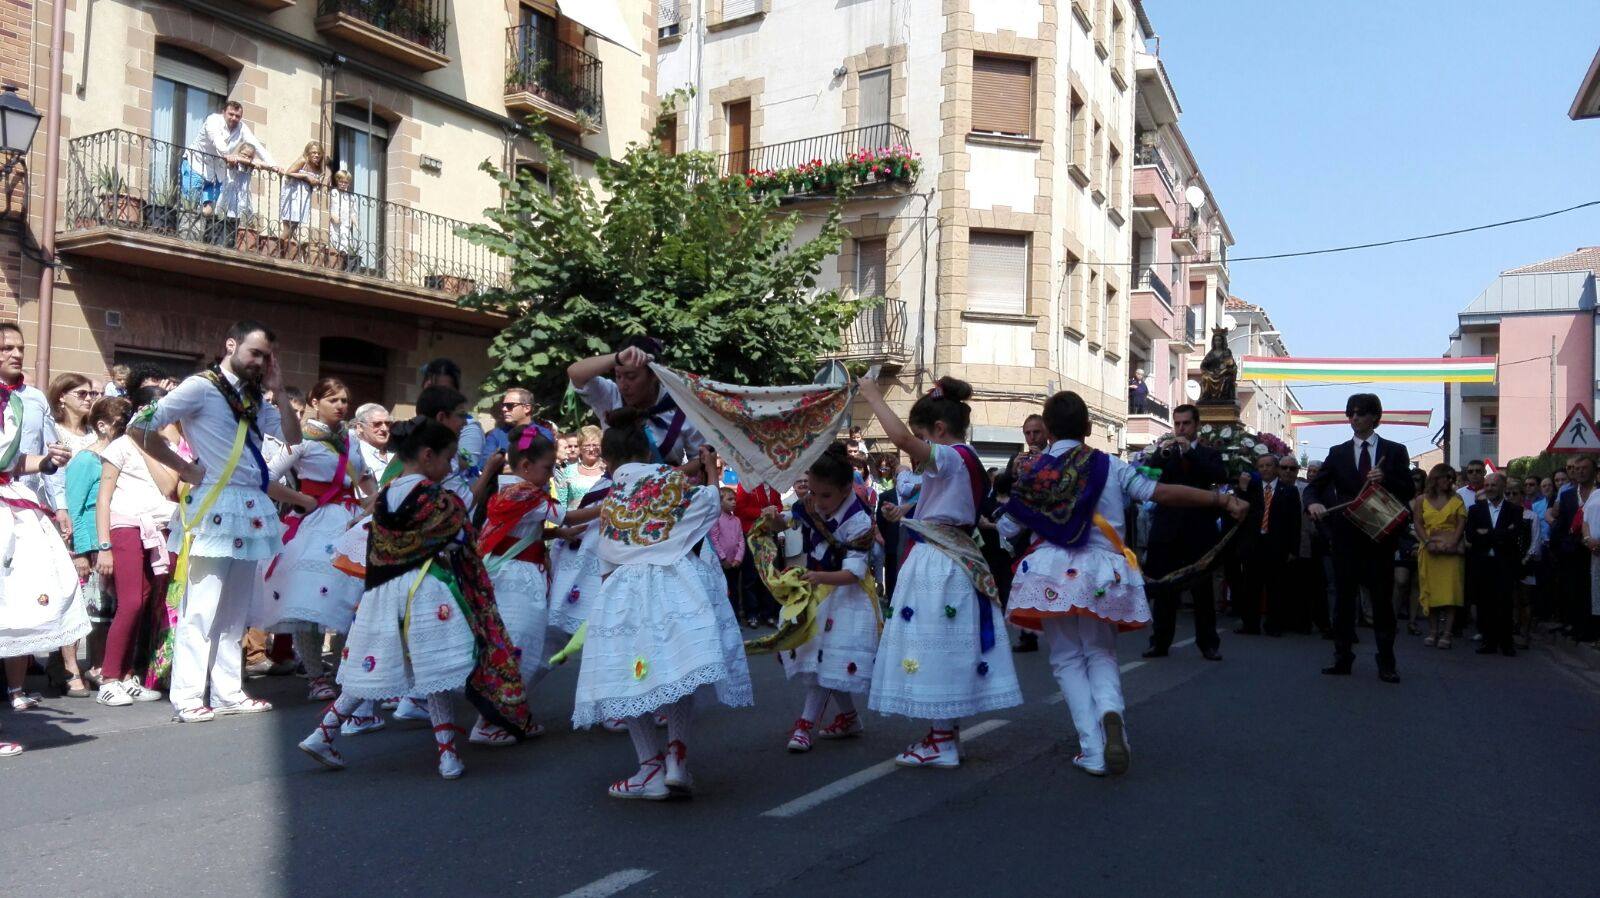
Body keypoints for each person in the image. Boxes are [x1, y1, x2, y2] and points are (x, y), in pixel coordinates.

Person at [1003, 390, 1248, 776]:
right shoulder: (1110, 466)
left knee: (1067, 658)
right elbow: (1160, 493)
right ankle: (1112, 712)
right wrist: (1221, 502)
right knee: (1100, 652)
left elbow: (1007, 525)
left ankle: (1093, 747)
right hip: (1105, 571)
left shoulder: (1034, 471)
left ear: (1046, 430)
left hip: (1051, 572)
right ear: (1087, 428)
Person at [299, 417, 532, 779]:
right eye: (448, 458)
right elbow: (460, 542)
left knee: (370, 667)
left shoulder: (382, 498)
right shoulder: (439, 500)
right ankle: (448, 756)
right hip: (426, 592)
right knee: (434, 671)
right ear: (427, 456)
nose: (450, 466)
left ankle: (323, 732)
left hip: (380, 594)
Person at [572, 409, 752, 800]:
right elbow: (708, 504)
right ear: (647, 450)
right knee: (676, 671)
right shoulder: (671, 482)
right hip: (675, 584)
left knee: (631, 676)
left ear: (609, 459)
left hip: (624, 589)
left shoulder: (612, 496)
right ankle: (676, 757)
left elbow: (606, 558)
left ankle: (648, 767)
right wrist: (709, 472)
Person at [127, 320, 301, 722]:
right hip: (215, 506)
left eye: (266, 356)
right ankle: (187, 695)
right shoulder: (200, 386)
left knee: (235, 609)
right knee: (201, 607)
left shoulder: (258, 397)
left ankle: (227, 691)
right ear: (231, 345)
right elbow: (141, 428)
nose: (260, 362)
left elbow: (293, 438)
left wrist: (278, 389)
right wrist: (183, 467)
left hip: (250, 507)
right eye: (254, 353)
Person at [856, 375, 1022, 769]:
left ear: (940, 431)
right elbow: (946, 507)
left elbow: (901, 441)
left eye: (922, 436)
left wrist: (873, 397)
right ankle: (944, 733)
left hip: (940, 562)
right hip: (953, 554)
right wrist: (909, 514)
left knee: (935, 643)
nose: (918, 445)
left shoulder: (951, 456)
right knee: (946, 642)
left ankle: (942, 740)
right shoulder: (965, 460)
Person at [262, 378, 376, 704]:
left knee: (353, 597)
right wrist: (303, 499)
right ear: (314, 401)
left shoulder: (351, 440)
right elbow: (266, 478)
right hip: (316, 523)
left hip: (352, 522)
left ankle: (345, 670)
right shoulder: (303, 440)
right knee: (311, 603)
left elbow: (365, 477)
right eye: (333, 400)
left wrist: (375, 502)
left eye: (345, 400)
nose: (341, 406)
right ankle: (316, 676)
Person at [0, 321, 84, 724]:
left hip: (23, 501)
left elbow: (32, 458)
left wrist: (54, 471)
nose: (15, 354)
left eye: (19, 347)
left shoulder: (33, 400)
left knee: (24, 592)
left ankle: (16, 688)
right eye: (5, 348)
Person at [771, 443, 881, 753]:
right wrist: (774, 520)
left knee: (824, 659)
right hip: (815, 590)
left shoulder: (859, 521)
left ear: (847, 488)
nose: (817, 503)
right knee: (823, 660)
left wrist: (818, 578)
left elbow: (855, 573)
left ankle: (805, 725)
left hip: (845, 596)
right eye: (814, 494)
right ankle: (848, 717)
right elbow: (789, 522)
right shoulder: (809, 505)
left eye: (826, 496)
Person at [474, 423, 577, 744]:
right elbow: (569, 516)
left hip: (512, 574)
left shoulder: (510, 491)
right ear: (526, 465)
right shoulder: (525, 494)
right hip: (517, 579)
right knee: (520, 647)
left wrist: (554, 534)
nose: (550, 474)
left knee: (520, 647)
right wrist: (609, 508)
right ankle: (488, 721)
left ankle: (511, 713)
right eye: (547, 468)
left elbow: (521, 532)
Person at [1305, 393, 1416, 683]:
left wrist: (1387, 479)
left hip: (1379, 536)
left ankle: (1386, 662)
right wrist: (1313, 504)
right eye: (1351, 413)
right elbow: (1314, 487)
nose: (1354, 418)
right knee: (1343, 600)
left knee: (1381, 601)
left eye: (1361, 413)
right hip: (1345, 537)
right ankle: (1342, 658)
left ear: (1375, 416)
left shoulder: (1395, 451)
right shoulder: (1338, 452)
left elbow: (1408, 490)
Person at [92, 388, 181, 706]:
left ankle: (128, 675)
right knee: (129, 602)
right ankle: (109, 678)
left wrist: (146, 444)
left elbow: (169, 485)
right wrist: (104, 546)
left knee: (143, 603)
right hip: (126, 527)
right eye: (148, 408)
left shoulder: (166, 446)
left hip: (156, 529)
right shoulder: (118, 446)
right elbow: (103, 498)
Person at [1142, 405, 1228, 660]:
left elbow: (1217, 478)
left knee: (1202, 592)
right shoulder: (1166, 452)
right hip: (1167, 532)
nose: (1180, 429)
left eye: (1186, 424)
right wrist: (1160, 454)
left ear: (1197, 425)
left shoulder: (1209, 455)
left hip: (1198, 532)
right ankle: (1159, 642)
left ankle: (1208, 643)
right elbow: (1149, 476)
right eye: (1177, 424)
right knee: (1164, 590)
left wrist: (1190, 453)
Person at [64, 397, 130, 693]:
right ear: (102, 426)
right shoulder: (85, 460)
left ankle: (99, 664)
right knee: (83, 610)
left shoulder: (115, 459)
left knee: (103, 611)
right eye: (120, 424)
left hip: (109, 540)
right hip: (89, 543)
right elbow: (74, 506)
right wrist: (79, 551)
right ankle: (69, 668)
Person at [566, 338, 706, 467]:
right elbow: (575, 373)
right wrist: (617, 358)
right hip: (620, 489)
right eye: (618, 376)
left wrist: (661, 479)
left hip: (669, 489)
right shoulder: (611, 395)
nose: (623, 385)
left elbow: (701, 457)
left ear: (654, 375)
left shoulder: (679, 406)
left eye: (631, 377)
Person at [1465, 472, 1528, 656]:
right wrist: (1500, 534)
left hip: (1505, 563)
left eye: (1494, 485)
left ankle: (1506, 643)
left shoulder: (1514, 510)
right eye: (1487, 485)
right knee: (1485, 603)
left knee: (1505, 603)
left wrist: (1488, 534)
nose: (1490, 488)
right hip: (1483, 563)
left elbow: (1514, 535)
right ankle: (1488, 641)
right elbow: (1471, 536)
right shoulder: (1476, 510)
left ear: (1502, 487)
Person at [181, 100, 278, 216]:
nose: (234, 118)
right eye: (231, 114)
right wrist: (228, 155)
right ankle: (185, 229)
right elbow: (217, 140)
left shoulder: (242, 128)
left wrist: (273, 165)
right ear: (223, 113)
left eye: (237, 116)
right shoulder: (213, 120)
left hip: (215, 173)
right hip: (196, 165)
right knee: (189, 205)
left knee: (209, 211)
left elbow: (256, 145)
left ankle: (198, 228)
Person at [1413, 464, 1465, 648]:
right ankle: (1433, 631)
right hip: (1429, 549)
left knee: (1450, 592)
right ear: (1436, 478)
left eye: (1452, 478)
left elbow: (1461, 524)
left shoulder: (1457, 499)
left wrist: (1452, 543)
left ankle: (1447, 633)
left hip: (1451, 549)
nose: (1449, 481)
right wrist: (1427, 542)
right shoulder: (1421, 500)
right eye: (1446, 477)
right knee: (1431, 591)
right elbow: (1418, 523)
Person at [1554, 455, 1598, 641]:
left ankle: (1593, 629)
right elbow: (1562, 524)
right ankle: (1577, 626)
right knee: (1576, 590)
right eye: (1577, 468)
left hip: (1595, 550)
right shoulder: (1567, 495)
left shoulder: (1597, 493)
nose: (1580, 472)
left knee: (1594, 590)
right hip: (1574, 550)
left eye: (1584, 468)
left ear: (1594, 471)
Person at [419, 358, 485, 476]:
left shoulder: (467, 427)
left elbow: (468, 468)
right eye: (431, 388)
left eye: (444, 389)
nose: (436, 394)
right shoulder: (416, 424)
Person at [278, 141, 328, 252]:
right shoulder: (303, 161)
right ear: (308, 153)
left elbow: (315, 183)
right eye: (313, 152)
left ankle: (282, 250)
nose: (316, 155)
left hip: (304, 198)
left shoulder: (318, 168)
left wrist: (317, 183)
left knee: (294, 226)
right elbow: (288, 173)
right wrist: (305, 176)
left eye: (319, 153)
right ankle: (276, 247)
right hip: (293, 195)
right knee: (288, 226)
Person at [709, 486, 745, 608]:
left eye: (734, 499)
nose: (734, 502)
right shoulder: (716, 519)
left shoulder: (737, 520)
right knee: (724, 589)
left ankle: (736, 617)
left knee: (735, 590)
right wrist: (723, 558)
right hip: (722, 563)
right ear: (720, 502)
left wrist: (738, 558)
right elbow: (714, 539)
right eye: (730, 499)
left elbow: (741, 540)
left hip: (735, 562)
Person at [481, 387, 535, 470]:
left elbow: (538, 467)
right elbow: (484, 464)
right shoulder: (496, 434)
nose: (504, 409)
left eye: (510, 406)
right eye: (503, 405)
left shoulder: (542, 434)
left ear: (527, 408)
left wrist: (502, 459)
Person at [553, 425, 605, 510]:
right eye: (587, 445)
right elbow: (561, 502)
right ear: (580, 447)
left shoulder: (607, 470)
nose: (591, 449)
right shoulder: (569, 470)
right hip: (574, 521)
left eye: (595, 445)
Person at [49, 373, 100, 454]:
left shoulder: (95, 433)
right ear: (62, 397)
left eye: (91, 394)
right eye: (82, 393)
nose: (89, 398)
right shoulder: (52, 430)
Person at [327, 169, 360, 271]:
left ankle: (340, 267)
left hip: (345, 226)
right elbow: (329, 207)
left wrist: (356, 225)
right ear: (337, 180)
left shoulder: (351, 197)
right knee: (334, 244)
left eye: (345, 182)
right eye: (341, 181)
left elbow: (352, 213)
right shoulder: (333, 192)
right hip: (335, 225)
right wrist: (333, 216)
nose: (343, 184)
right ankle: (333, 266)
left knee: (344, 246)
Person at [351, 402, 392, 480]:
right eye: (377, 424)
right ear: (360, 427)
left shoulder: (396, 453)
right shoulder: (356, 455)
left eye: (387, 423)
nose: (384, 428)